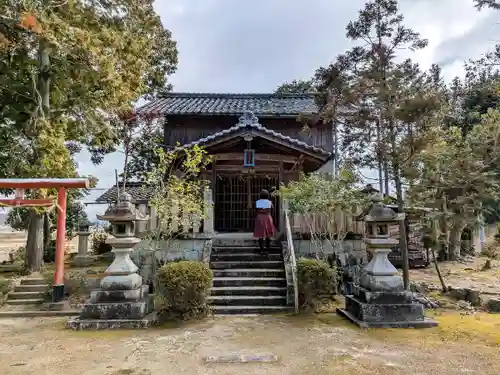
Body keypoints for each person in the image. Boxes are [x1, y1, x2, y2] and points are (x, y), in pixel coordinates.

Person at [253, 189, 276, 255]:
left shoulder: (257, 202)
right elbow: (273, 211)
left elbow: (255, 211)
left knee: (260, 235)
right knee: (268, 235)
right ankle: (267, 250)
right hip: (268, 217)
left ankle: (261, 250)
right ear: (267, 195)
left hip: (260, 218)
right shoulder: (270, 202)